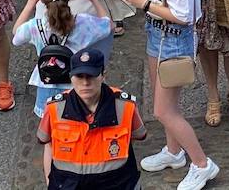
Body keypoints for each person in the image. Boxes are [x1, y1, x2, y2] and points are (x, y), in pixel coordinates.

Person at [118, 0, 220, 189]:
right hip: (158, 35)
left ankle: (201, 163)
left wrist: (145, 5)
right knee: (166, 104)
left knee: (164, 110)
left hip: (173, 40)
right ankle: (174, 152)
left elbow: (183, 15)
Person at [35, 47, 149, 189]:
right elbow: (48, 143)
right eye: (79, 76)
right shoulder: (54, 108)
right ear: (71, 77)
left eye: (91, 76)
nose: (85, 83)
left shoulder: (125, 106)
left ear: (103, 75)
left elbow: (137, 135)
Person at [11, 0, 112, 116]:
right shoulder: (82, 23)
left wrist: (31, 1)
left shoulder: (35, 26)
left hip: (47, 82)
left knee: (50, 124)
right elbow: (108, 25)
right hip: (77, 82)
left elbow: (16, 36)